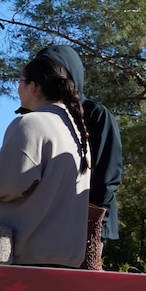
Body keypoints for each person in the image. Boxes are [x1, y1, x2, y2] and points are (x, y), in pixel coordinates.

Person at [0, 53, 92, 267]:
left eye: (19, 82)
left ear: (33, 86)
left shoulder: (30, 124)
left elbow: (9, 184)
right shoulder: (76, 132)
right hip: (67, 259)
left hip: (27, 259)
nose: (17, 88)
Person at [35, 43, 124, 270]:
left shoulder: (96, 115)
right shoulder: (38, 118)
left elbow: (108, 175)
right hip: (46, 225)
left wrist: (92, 226)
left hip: (85, 226)